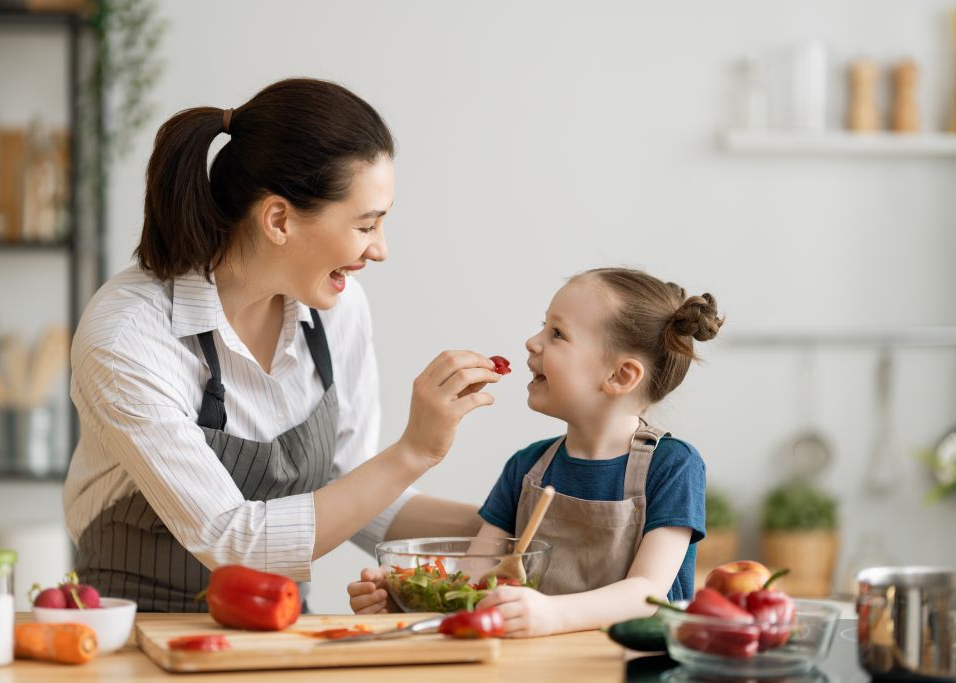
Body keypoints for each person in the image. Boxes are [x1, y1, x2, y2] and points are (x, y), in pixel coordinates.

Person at [62, 78, 499, 611]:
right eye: (366, 225)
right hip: (137, 636)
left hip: (280, 628)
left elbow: (357, 494)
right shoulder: (129, 336)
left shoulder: (338, 311)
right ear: (279, 219)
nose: (381, 250)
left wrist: (506, 516)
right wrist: (415, 451)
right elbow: (235, 542)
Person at [348, 267, 722, 636]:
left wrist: (553, 615)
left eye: (557, 333)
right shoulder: (527, 468)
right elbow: (474, 583)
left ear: (620, 376)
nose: (532, 341)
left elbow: (646, 593)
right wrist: (407, 598)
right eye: (543, 326)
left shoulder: (673, 466)